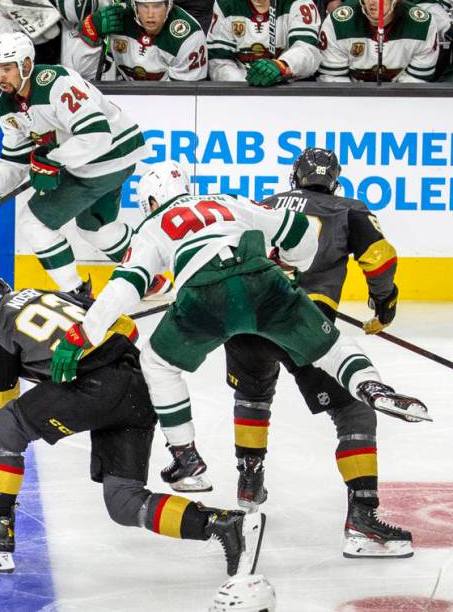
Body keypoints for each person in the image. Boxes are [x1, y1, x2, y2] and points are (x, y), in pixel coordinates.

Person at [49, 161, 429, 556]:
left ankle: (197, 461)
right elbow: (322, 241)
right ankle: (368, 394)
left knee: (202, 377)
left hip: (215, 308)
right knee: (343, 380)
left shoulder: (154, 226)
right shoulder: (238, 201)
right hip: (272, 293)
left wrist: (83, 334)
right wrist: (300, 269)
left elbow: (126, 286)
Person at [0, 275, 266, 577]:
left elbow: (1, 396)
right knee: (124, 501)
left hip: (96, 386)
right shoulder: (53, 296)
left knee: (6, 425)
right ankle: (224, 525)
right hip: (139, 386)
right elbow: (126, 328)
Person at [222, 148, 412, 559]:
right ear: (335, 180)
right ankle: (362, 520)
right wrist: (384, 304)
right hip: (302, 321)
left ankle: (248, 481)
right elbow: (379, 260)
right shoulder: (348, 208)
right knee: (353, 409)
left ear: (295, 177)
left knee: (253, 393)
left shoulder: (264, 205)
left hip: (241, 317)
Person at [0, 31, 170, 299]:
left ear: (25, 65)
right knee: (95, 228)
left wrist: (54, 161)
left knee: (33, 223)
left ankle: (76, 294)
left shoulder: (56, 83)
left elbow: (97, 134)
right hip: (106, 159)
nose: (0, 76)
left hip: (106, 155)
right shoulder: (6, 106)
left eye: (7, 68)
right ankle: (152, 279)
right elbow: (14, 159)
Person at [71, 0, 208, 81]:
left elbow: (185, 98)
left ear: (169, 4)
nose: (150, 14)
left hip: (167, 107)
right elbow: (84, 73)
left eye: (157, 6)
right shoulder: (118, 19)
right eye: (144, 6)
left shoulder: (189, 36)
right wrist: (92, 32)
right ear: (134, 5)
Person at [318, 0, 440, 82]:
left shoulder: (422, 27)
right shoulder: (337, 24)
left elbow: (414, 86)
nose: (371, 1)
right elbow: (333, 82)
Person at [206, 0, 321, 86]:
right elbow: (218, 62)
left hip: (287, 89)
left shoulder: (298, 2)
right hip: (242, 91)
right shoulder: (226, 4)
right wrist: (248, 85)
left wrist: (281, 66)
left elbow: (308, 51)